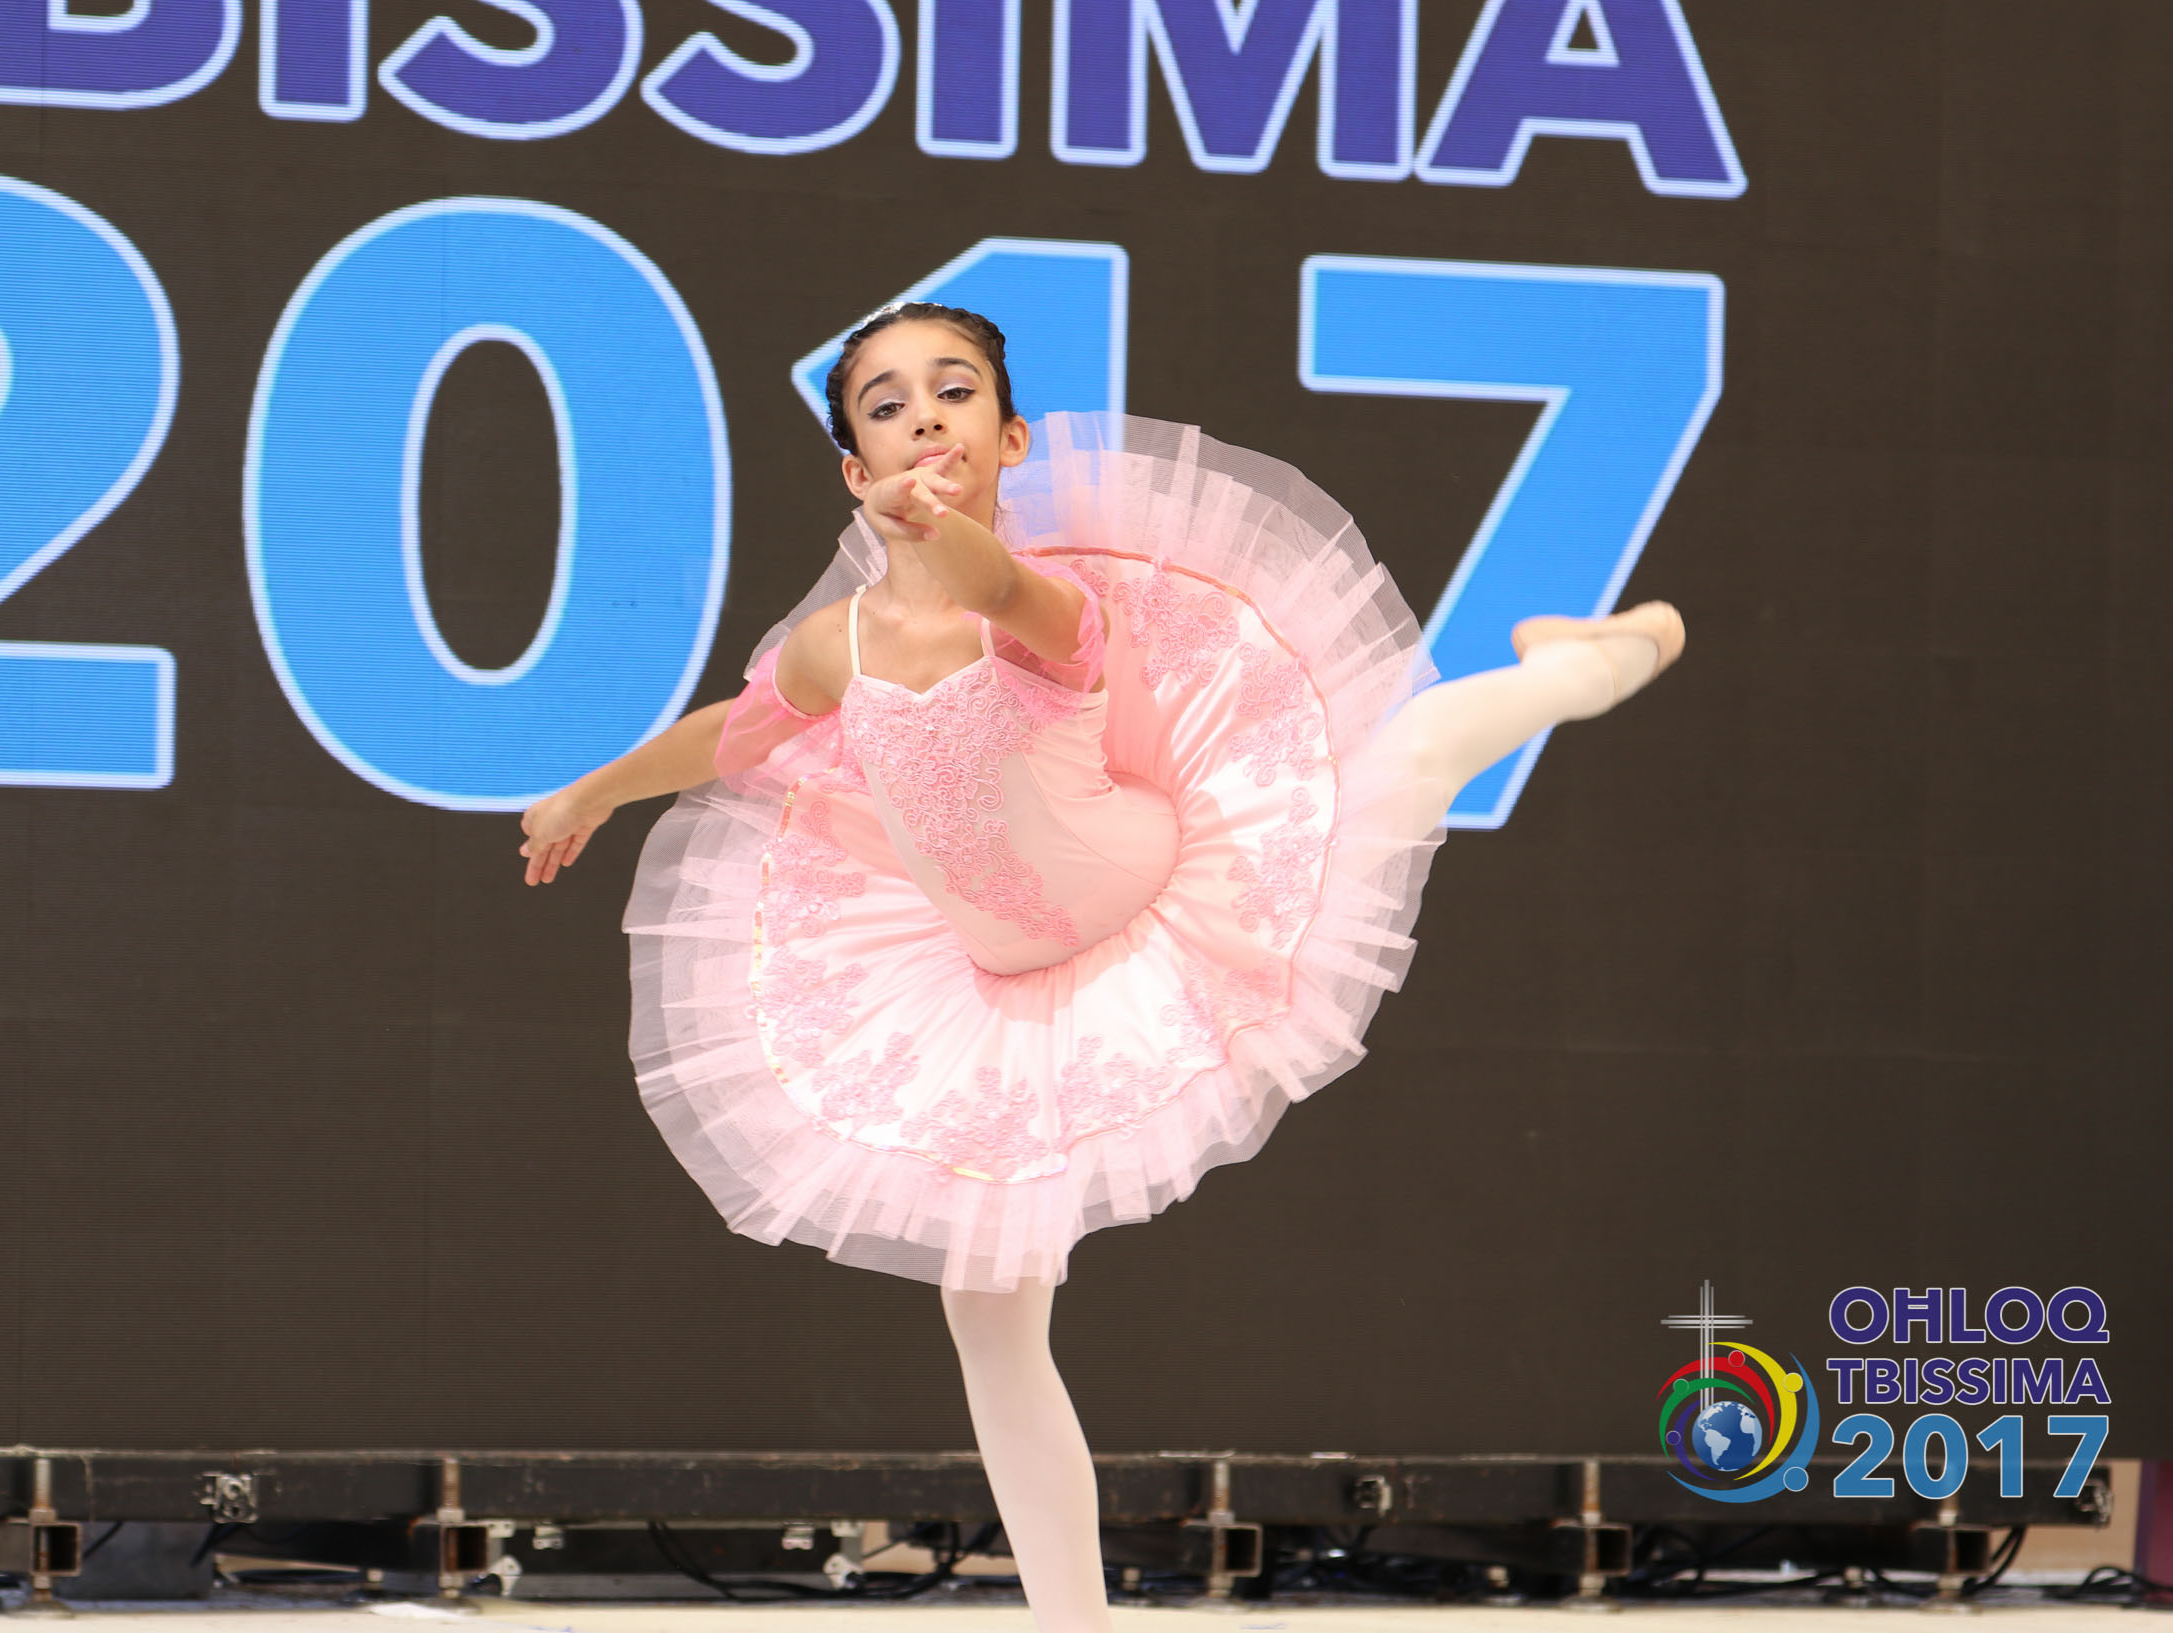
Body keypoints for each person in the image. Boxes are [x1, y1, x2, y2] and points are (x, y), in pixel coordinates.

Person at [517, 302, 1682, 1631]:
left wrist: (930, 529)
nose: (923, 419)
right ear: (853, 466)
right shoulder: (834, 646)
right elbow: (736, 733)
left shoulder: (1042, 606)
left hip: (1169, 889)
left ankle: (1595, 661)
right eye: (887, 407)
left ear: (1009, 439)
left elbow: (987, 583)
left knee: (1407, 760)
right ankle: (1070, 1620)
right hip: (990, 980)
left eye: (954, 392)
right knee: (988, 1316)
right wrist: (592, 791)